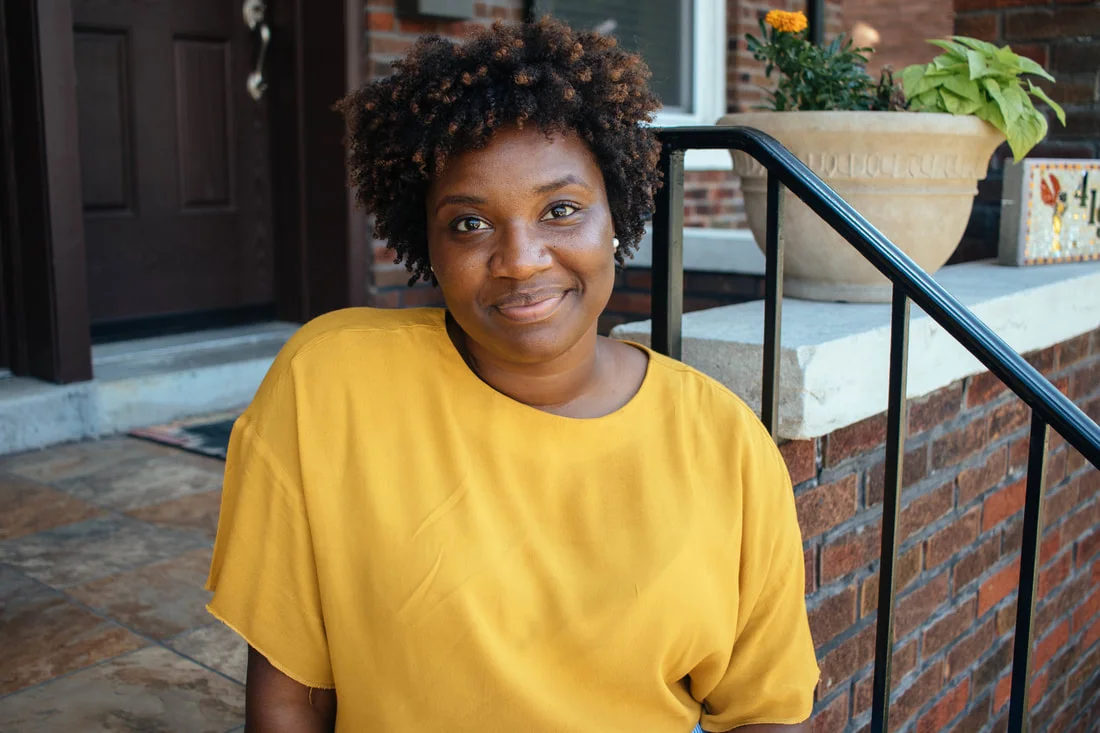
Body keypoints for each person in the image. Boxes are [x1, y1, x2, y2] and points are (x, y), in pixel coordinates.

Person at [206, 17, 819, 733]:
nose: (521, 259)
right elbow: (290, 701)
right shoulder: (330, 386)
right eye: (470, 223)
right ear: (425, 242)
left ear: (615, 217)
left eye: (561, 210)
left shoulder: (724, 443)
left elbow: (767, 714)